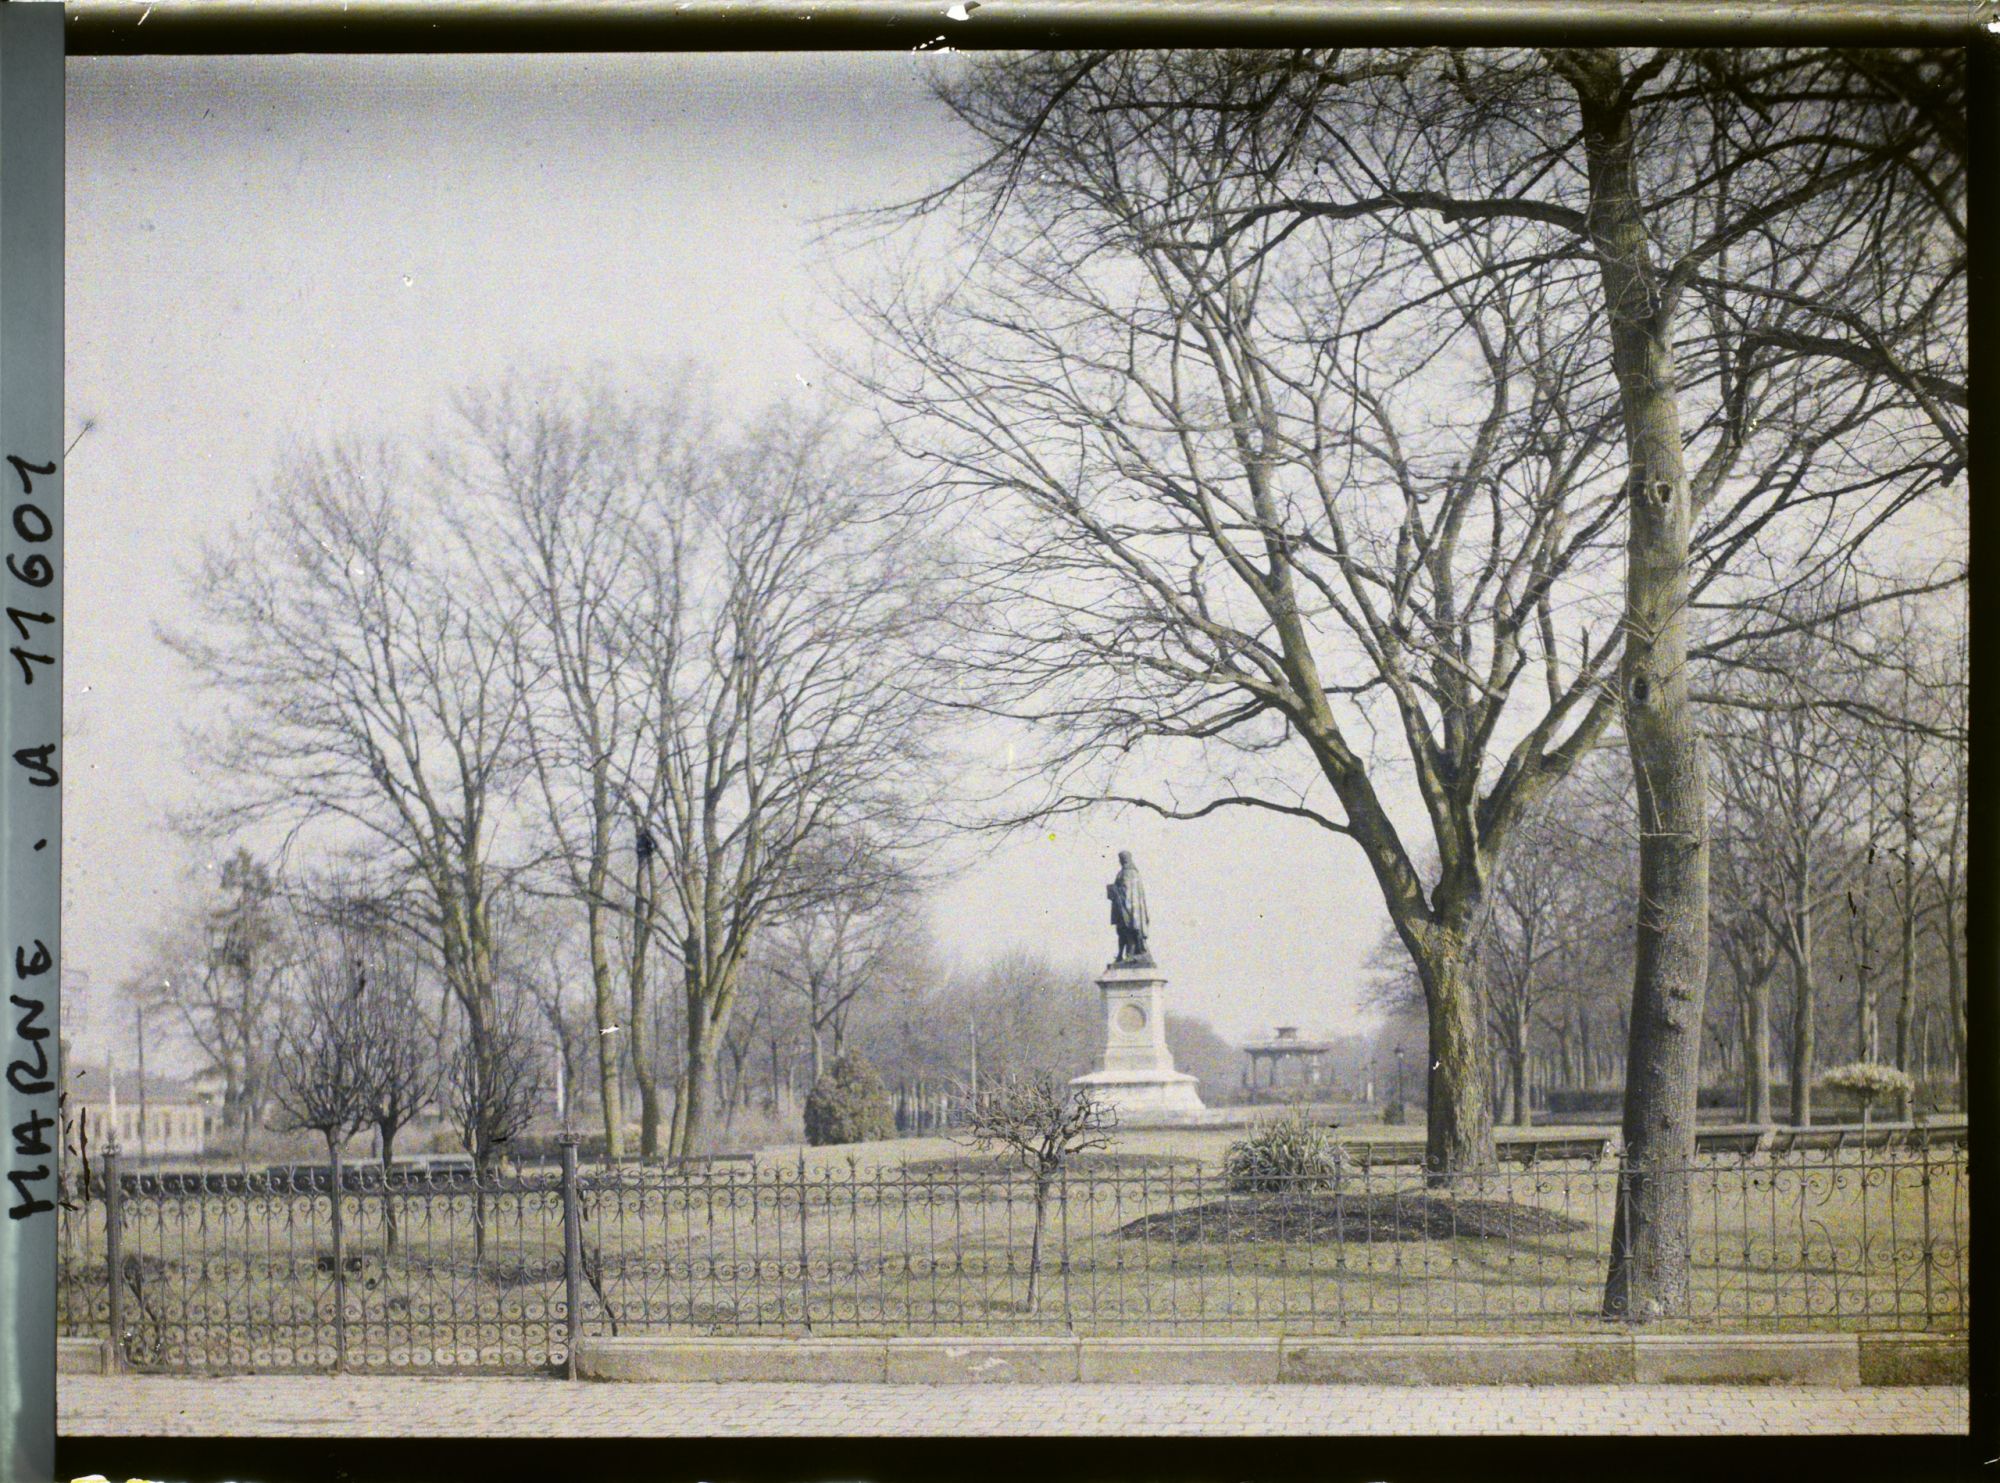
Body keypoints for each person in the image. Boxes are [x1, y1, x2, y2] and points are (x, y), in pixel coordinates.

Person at [1106, 850, 1150, 962]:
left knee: (1129, 930)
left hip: (1130, 908)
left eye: (1122, 859)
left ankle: (1130, 954)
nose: (1121, 861)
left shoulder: (1131, 873)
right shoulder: (1121, 873)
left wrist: (1117, 890)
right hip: (1121, 907)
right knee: (1121, 931)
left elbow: (1130, 892)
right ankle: (1121, 954)